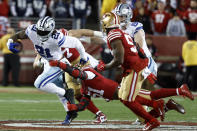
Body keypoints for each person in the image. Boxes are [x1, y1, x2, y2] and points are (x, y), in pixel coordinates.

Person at [96, 12, 194, 130]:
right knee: (127, 96)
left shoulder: (115, 34)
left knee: (127, 99)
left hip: (135, 67)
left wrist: (104, 67)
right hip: (136, 65)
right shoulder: (120, 32)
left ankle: (153, 120)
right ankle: (167, 101)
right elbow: (135, 50)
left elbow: (119, 59)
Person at [49, 53, 194, 130]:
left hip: (123, 91)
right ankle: (168, 103)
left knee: (151, 97)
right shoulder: (84, 86)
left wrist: (61, 65)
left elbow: (78, 74)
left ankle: (173, 96)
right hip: (121, 95)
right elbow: (85, 101)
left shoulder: (87, 72)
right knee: (148, 107)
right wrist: (76, 108)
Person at [6, 16, 89, 124]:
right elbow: (19, 35)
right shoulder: (33, 30)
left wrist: (83, 57)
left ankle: (67, 93)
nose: (40, 33)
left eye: (43, 31)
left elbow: (77, 43)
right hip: (48, 63)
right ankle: (71, 112)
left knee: (39, 83)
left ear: (51, 30)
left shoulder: (57, 37)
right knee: (58, 92)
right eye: (39, 30)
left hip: (59, 63)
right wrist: (10, 40)